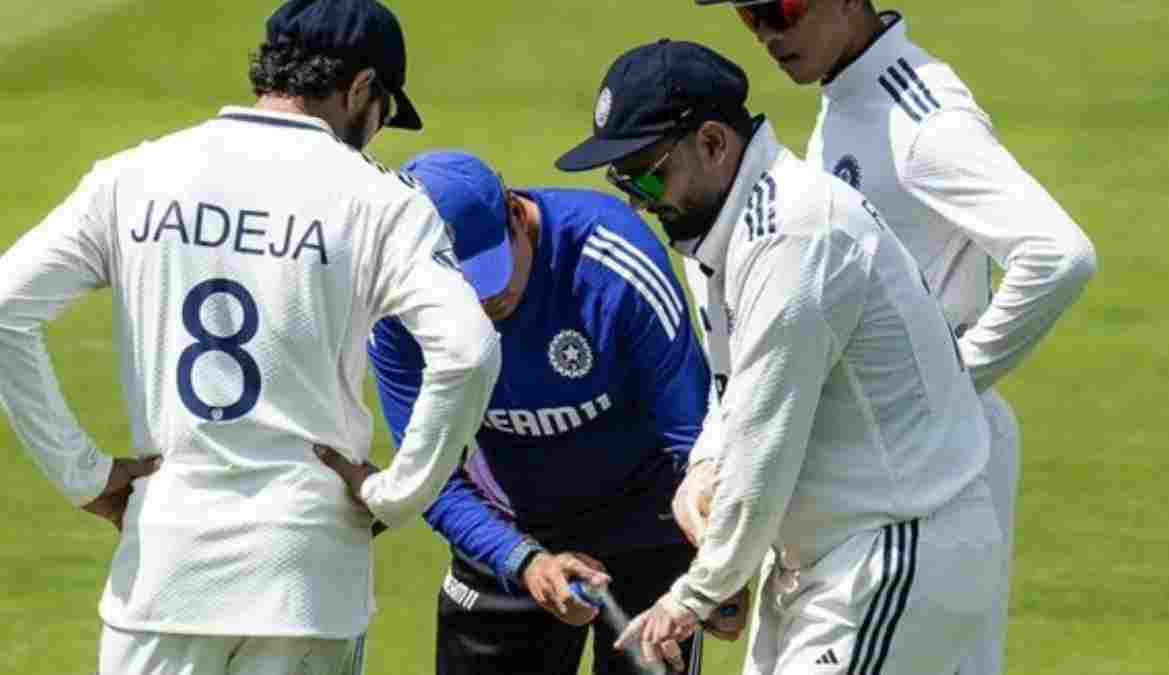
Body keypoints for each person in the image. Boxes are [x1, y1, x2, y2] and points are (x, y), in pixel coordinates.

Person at [0, 1, 501, 673]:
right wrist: (398, 492)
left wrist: (83, 474)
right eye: (384, 110)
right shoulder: (382, 203)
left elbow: (6, 307)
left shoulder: (135, 175)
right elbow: (468, 349)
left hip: (165, 566)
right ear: (360, 90)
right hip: (306, 577)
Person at [556, 39, 1004, 675]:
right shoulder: (724, 233)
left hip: (892, 549)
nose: (637, 199)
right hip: (825, 561)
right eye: (620, 180)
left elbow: (768, 429)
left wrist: (697, 592)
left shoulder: (793, 235)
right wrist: (706, 471)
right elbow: (734, 392)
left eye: (647, 173)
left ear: (713, 143)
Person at [693, 3, 1099, 673]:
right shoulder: (849, 94)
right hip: (879, 466)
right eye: (750, 13)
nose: (769, 31)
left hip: (933, 467)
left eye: (784, 7)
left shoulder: (920, 121)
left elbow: (1058, 255)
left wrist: (945, 381)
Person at [366, 150, 718, 674]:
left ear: (514, 213)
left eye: (489, 273)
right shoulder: (396, 310)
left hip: (649, 522)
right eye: (458, 291)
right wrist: (523, 561)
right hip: (504, 523)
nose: (484, 303)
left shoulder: (613, 260)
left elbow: (697, 441)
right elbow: (429, 477)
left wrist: (718, 571)